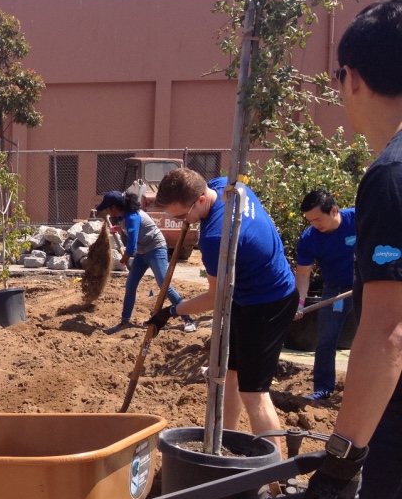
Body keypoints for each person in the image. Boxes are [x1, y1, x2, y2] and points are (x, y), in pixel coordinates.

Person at [303, 0, 402, 499]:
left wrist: (343, 458)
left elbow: (389, 333)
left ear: (356, 80)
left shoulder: (392, 177)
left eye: (338, 79)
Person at [151, 168, 296, 436]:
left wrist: (171, 311)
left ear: (201, 201)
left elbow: (215, 298)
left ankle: (273, 473)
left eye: (183, 215)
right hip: (247, 295)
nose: (183, 221)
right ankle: (226, 440)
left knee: (254, 393)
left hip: (268, 303)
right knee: (230, 376)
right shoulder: (224, 187)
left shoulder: (216, 237)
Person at [97, 189, 196, 334]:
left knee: (164, 285)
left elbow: (132, 246)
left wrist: (124, 258)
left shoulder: (132, 217)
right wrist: (118, 229)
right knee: (130, 284)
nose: (106, 210)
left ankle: (188, 319)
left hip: (156, 249)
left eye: (107, 208)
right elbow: (131, 235)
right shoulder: (121, 216)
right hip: (143, 252)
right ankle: (125, 321)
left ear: (114, 207)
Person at [294, 189, 356, 401]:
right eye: (310, 220)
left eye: (318, 219)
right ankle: (323, 389)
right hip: (335, 290)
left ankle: (365, 390)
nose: (315, 225)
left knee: (370, 338)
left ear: (334, 211)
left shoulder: (357, 219)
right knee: (327, 338)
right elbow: (303, 275)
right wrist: (300, 303)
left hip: (367, 287)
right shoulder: (310, 239)